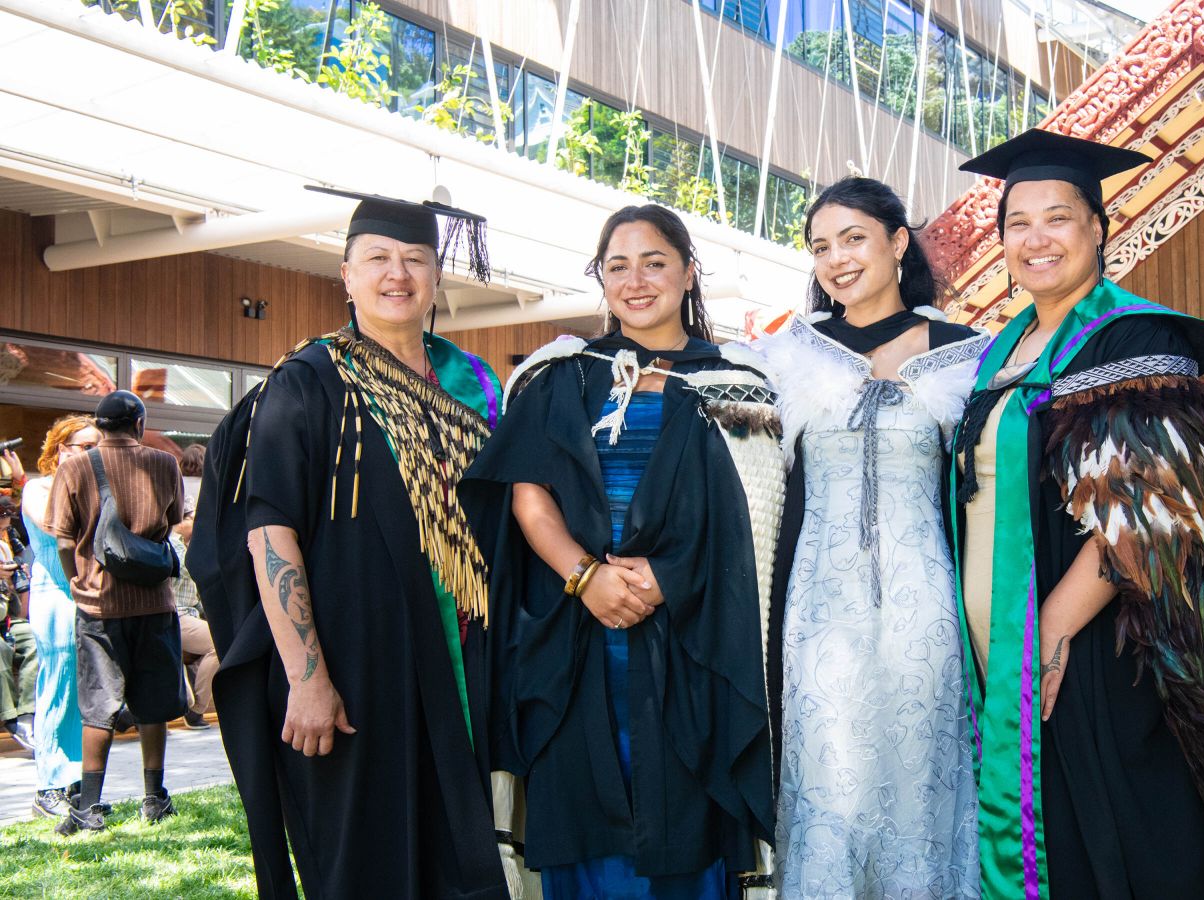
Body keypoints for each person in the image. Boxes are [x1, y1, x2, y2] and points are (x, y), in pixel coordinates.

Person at [949, 130, 1204, 899]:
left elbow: (1150, 512)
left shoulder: (1133, 335)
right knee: (1047, 833)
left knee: (1115, 832)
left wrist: (1050, 634)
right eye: (1017, 223)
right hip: (1002, 651)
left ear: (1098, 226)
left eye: (1057, 217)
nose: (1036, 239)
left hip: (1096, 643)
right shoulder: (1003, 351)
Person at [186, 188, 509, 899]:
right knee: (364, 862)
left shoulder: (475, 385)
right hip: (357, 667)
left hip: (463, 666)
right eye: (378, 259)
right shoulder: (308, 382)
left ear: (436, 278)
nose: (398, 274)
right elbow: (270, 533)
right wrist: (307, 679)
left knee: (464, 860)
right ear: (347, 275)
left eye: (415, 259)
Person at [460, 204, 783, 899]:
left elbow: (748, 516)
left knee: (685, 812)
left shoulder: (736, 384)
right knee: (585, 807)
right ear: (600, 279)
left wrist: (667, 580)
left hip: (691, 633)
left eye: (655, 262)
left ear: (689, 271)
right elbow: (528, 495)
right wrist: (585, 578)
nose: (636, 281)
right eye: (618, 266)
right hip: (577, 634)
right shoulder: (559, 375)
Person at [753, 177, 986, 898]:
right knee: (828, 776)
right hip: (818, 612)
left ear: (896, 241)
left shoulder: (968, 355)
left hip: (928, 607)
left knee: (921, 772)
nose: (836, 259)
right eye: (820, 246)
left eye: (853, 238)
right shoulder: (786, 354)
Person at [46, 391, 186, 835]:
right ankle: (153, 798)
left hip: (97, 604)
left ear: (100, 426)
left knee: (97, 706)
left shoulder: (73, 468)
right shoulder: (166, 465)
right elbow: (173, 519)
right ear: (139, 424)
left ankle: (89, 805)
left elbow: (64, 539)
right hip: (154, 602)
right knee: (153, 703)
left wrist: (75, 579)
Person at [18, 418, 95, 818]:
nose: (92, 453)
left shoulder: (93, 487)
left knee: (86, 692)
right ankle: (49, 785)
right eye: (84, 446)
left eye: (96, 446)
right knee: (59, 686)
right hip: (55, 596)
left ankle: (78, 779)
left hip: (89, 595)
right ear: (61, 448)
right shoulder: (38, 487)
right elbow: (56, 528)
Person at [168, 512, 214, 728]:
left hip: (188, 614)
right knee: (221, 644)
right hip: (177, 615)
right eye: (194, 517)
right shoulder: (174, 546)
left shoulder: (185, 545)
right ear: (182, 521)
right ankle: (196, 710)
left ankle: (194, 707)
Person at [1, 492, 37, 754]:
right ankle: (11, 719)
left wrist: (17, 581)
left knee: (35, 638)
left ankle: (28, 714)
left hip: (8, 617)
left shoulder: (8, 543)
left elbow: (19, 607)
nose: (7, 524)